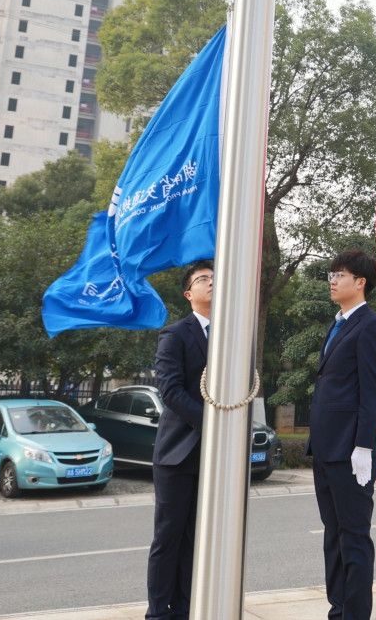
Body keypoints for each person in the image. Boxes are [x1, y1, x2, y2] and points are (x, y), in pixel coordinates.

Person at [306, 250, 376, 620]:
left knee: (354, 537)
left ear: (361, 282)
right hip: (325, 448)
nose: (333, 281)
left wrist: (362, 445)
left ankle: (355, 614)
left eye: (340, 275)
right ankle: (338, 609)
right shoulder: (337, 323)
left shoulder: (370, 325)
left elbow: (372, 391)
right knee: (333, 534)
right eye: (331, 275)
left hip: (350, 450)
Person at [146, 259, 213, 620]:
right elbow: (170, 391)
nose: (212, 282)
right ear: (189, 294)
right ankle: (158, 612)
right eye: (203, 279)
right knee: (168, 536)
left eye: (216, 278)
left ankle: (185, 609)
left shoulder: (231, 335)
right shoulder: (175, 334)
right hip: (178, 452)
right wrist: (214, 423)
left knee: (196, 537)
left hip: (213, 456)